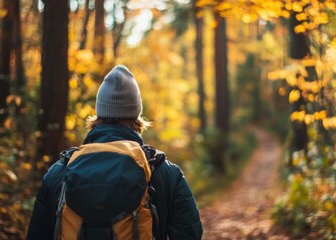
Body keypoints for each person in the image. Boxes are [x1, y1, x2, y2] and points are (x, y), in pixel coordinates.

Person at [26, 65, 203, 240]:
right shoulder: (165, 173)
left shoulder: (59, 172)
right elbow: (189, 234)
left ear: (98, 113)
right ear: (137, 115)